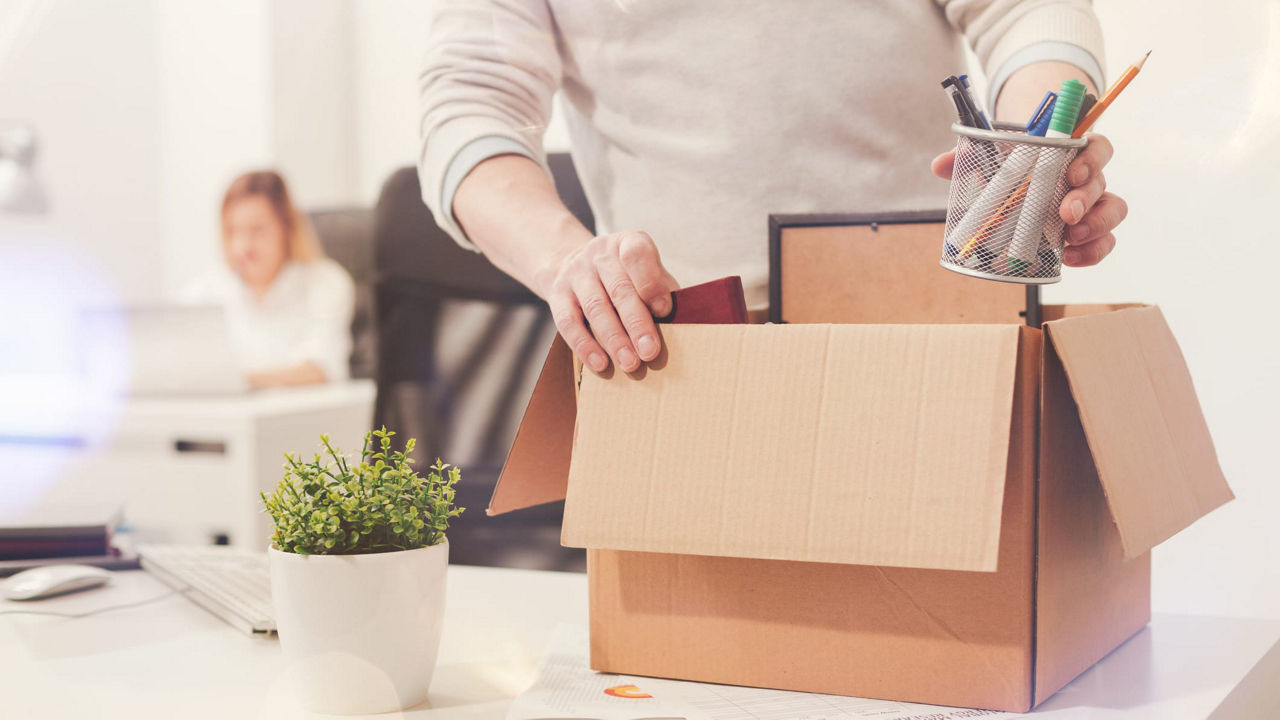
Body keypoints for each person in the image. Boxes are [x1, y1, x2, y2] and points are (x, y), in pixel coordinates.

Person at [419, 1, 1126, 375]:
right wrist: (562, 261)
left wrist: (1032, 159)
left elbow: (1029, 9)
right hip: (688, 354)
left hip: (933, 334)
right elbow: (470, 106)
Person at [183, 170, 355, 389]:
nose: (243, 246)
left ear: (286, 228)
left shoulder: (326, 283)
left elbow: (321, 368)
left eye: (257, 230)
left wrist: (240, 383)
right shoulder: (209, 289)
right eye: (233, 230)